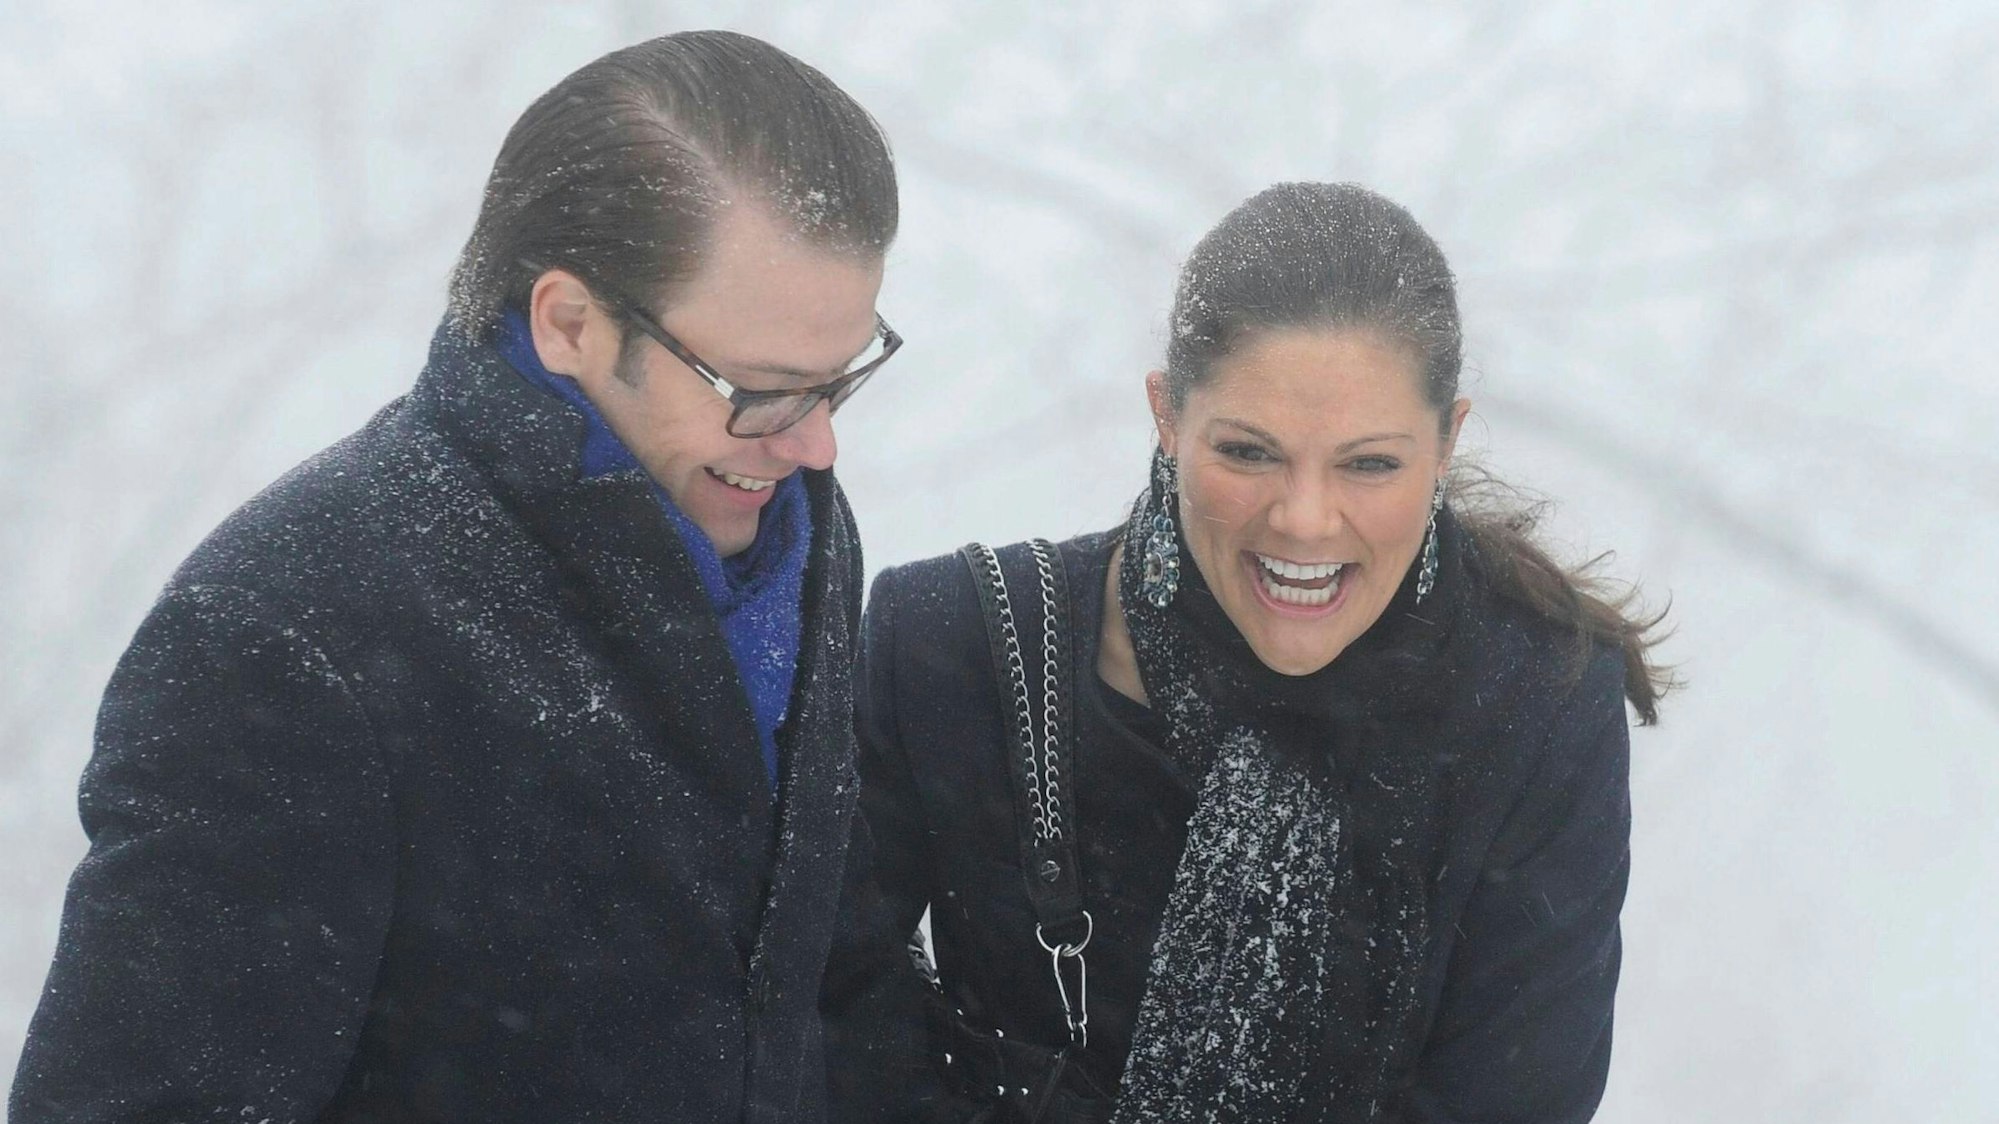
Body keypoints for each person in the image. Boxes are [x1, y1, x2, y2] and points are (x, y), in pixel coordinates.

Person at [13, 30, 904, 1124]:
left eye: (838, 382)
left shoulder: (783, 523)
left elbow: (818, 978)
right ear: (569, 322)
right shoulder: (290, 631)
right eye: (764, 388)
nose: (815, 446)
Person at [840, 182, 1671, 1123]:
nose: (1305, 519)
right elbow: (828, 1020)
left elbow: (1513, 1100)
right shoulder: (954, 647)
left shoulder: (1537, 703)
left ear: (1447, 443)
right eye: (1248, 453)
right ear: (1167, 416)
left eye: (1369, 463)